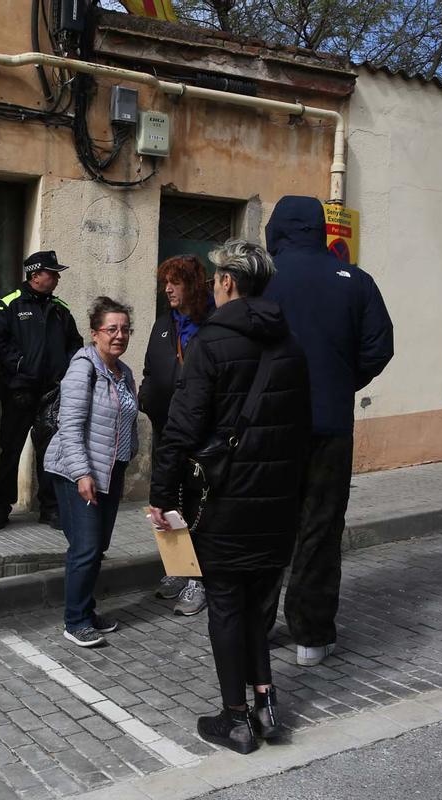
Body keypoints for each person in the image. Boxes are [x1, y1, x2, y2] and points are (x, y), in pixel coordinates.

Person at [149, 240, 311, 754]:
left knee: (225, 605)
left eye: (219, 278)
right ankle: (265, 704)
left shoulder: (211, 343)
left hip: (223, 500)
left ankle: (235, 718)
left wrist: (162, 493)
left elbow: (181, 426)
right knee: (259, 604)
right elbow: (300, 430)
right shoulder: (291, 345)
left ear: (227, 283)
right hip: (277, 501)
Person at [262, 196, 394, 667]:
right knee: (319, 528)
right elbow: (380, 347)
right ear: (321, 229)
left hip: (271, 427)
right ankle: (311, 637)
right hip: (330, 426)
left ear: (277, 229)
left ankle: (255, 628)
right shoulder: (356, 281)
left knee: (265, 527)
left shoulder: (262, 280)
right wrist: (341, 380)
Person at [44, 297, 138, 648]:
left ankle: (86, 608)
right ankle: (75, 620)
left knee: (97, 547)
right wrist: (83, 473)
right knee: (84, 547)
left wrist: (128, 458)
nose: (119, 336)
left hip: (111, 469)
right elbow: (69, 425)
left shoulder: (123, 372)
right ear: (95, 333)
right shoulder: (83, 366)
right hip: (76, 470)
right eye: (111, 329)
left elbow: (125, 421)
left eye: (125, 329)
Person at [0, 250, 83, 530]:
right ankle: (1, 506)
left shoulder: (61, 308)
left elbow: (75, 344)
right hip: (19, 391)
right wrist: (19, 364)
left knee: (50, 453)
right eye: (53, 273)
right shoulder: (9, 304)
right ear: (35, 274)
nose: (58, 278)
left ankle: (49, 508)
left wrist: (68, 372)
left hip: (52, 393)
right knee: (11, 450)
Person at [140, 255, 214, 616]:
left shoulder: (212, 326)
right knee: (168, 499)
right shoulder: (163, 324)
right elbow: (151, 369)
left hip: (201, 434)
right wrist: (146, 394)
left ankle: (198, 580)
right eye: (165, 281)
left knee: (197, 505)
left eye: (176, 282)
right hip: (165, 429)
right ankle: (178, 568)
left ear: (194, 286)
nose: (168, 289)